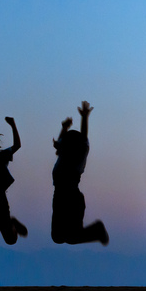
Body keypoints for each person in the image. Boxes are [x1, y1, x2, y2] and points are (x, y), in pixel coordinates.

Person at [50, 101, 109, 246]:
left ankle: (97, 230)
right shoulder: (63, 157)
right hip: (59, 197)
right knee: (57, 238)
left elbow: (82, 140)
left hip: (71, 199)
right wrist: (64, 127)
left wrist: (84, 118)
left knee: (70, 238)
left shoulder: (76, 158)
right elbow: (61, 143)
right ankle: (96, 230)